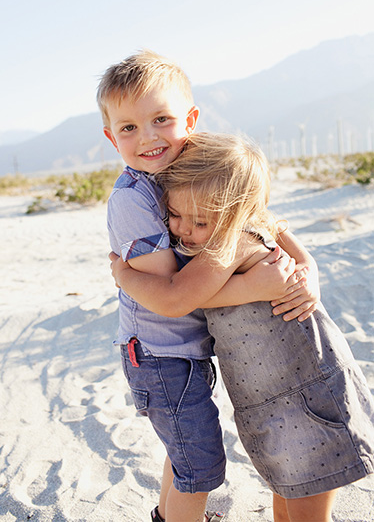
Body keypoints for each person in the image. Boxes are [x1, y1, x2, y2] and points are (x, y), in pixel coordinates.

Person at [98, 51, 318, 522]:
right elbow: (173, 297)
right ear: (110, 135)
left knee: (185, 449)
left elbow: (258, 215)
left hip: (188, 348)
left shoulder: (194, 169)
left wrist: (307, 266)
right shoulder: (134, 200)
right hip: (161, 352)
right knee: (199, 466)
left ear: (190, 120)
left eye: (161, 119)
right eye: (129, 127)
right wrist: (255, 285)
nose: (148, 137)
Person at [110, 132, 374, 522]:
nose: (182, 230)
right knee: (287, 496)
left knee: (303, 504)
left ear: (236, 212)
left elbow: (179, 298)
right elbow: (267, 229)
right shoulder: (218, 233)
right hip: (277, 394)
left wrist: (124, 275)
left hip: (303, 393)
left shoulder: (228, 243)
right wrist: (304, 267)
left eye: (198, 221)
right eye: (174, 214)